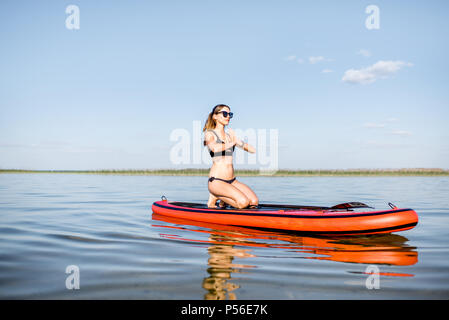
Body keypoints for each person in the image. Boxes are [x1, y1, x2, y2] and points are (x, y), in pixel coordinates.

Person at [203, 104, 259, 209]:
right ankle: (216, 195)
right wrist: (233, 142)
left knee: (254, 201)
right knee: (243, 203)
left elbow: (252, 150)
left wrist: (237, 141)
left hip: (232, 181)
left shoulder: (230, 136)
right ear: (215, 116)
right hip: (216, 181)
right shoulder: (210, 134)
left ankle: (222, 199)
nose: (228, 116)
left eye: (230, 114)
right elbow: (214, 148)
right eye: (225, 114)